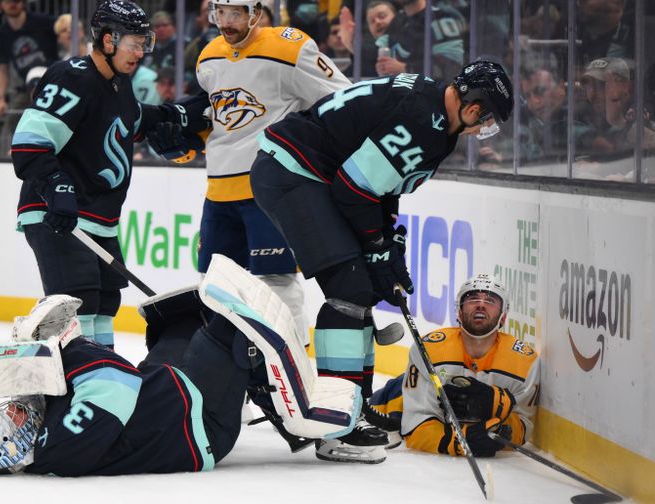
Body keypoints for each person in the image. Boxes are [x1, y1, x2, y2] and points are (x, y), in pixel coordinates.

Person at [249, 60, 514, 463]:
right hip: (294, 172)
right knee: (349, 287)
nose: (482, 129)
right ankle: (335, 424)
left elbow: (380, 185)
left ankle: (354, 403)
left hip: (311, 172)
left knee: (365, 287)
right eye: (487, 119)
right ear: (475, 107)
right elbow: (355, 189)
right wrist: (376, 245)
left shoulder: (434, 112)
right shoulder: (425, 124)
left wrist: (386, 240)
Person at [0, 261, 357, 474]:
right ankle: (298, 417)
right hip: (199, 424)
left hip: (169, 391)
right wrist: (65, 348)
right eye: (16, 418)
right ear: (20, 444)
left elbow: (117, 379)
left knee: (179, 320)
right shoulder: (59, 448)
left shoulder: (51, 433)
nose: (17, 409)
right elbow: (113, 381)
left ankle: (261, 384)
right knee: (232, 327)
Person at [10, 0, 195, 350]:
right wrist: (55, 186)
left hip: (97, 219)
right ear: (108, 40)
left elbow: (131, 119)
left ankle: (100, 377)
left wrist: (179, 115)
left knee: (105, 304)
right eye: (134, 43)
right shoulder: (72, 77)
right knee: (77, 302)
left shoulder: (118, 83)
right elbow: (29, 144)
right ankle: (69, 391)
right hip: (58, 214)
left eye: (144, 43)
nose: (141, 52)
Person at [193, 0, 351, 350]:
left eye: (236, 13)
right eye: (221, 13)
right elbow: (216, 116)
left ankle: (292, 359)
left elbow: (341, 99)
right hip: (218, 190)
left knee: (276, 278)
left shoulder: (289, 48)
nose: (227, 22)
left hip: (269, 188)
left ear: (256, 13)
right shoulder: (208, 57)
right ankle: (223, 372)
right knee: (213, 282)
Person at [370, 274, 541, 457]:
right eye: (473, 299)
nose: (481, 304)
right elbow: (415, 428)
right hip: (394, 404)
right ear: (459, 312)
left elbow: (523, 427)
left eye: (490, 300)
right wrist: (460, 442)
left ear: (503, 317)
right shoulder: (429, 350)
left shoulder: (524, 363)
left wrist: (498, 417)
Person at [0, 0, 59, 117]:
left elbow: (66, 29)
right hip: (28, 87)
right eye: (8, 1)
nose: (13, 4)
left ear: (23, 3)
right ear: (1, 5)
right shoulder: (2, 33)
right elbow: (3, 68)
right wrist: (1, 99)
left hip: (54, 81)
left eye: (16, 0)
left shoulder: (42, 21)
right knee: (12, 122)